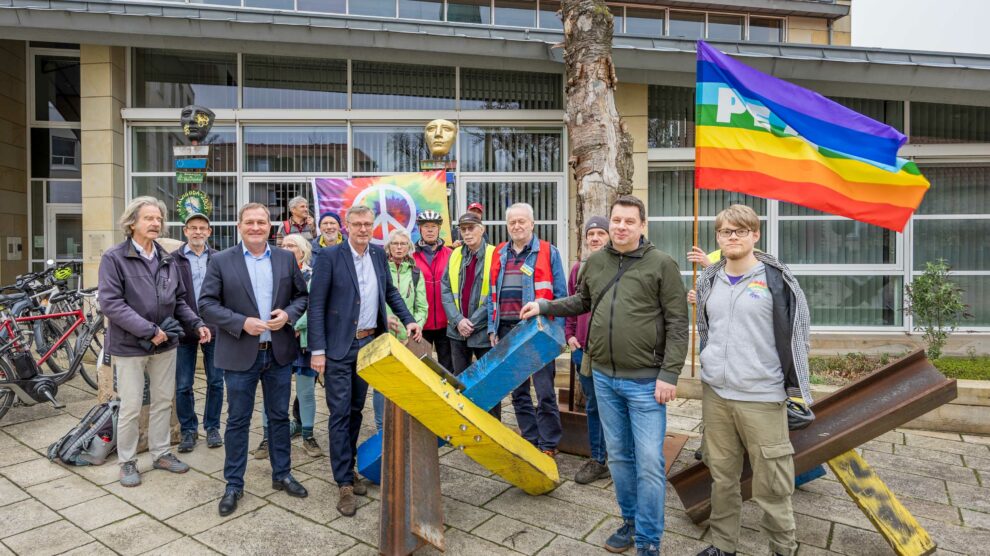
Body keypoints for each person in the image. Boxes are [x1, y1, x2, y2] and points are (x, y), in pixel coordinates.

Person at [520, 195, 689, 556]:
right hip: (604, 378)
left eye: (630, 221)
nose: (621, 227)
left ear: (643, 226)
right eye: (616, 220)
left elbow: (678, 324)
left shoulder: (663, 265)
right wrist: (545, 306)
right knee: (620, 458)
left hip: (646, 383)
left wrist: (669, 374)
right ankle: (629, 522)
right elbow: (581, 301)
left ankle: (648, 540)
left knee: (649, 461)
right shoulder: (594, 263)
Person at [692, 205, 812, 556]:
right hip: (716, 395)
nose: (732, 237)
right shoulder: (709, 279)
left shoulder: (777, 278)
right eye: (725, 231)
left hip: (762, 396)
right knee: (722, 476)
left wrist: (798, 387)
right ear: (717, 237)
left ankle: (782, 549)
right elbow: (706, 329)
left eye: (740, 231)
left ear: (755, 235)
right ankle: (723, 546)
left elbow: (799, 333)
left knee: (773, 484)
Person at [308, 205, 423, 518]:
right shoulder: (330, 257)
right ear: (346, 226)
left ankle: (350, 468)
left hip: (369, 345)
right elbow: (315, 306)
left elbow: (389, 292)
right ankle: (344, 481)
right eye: (356, 224)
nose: (362, 229)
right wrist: (317, 350)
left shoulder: (377, 255)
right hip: (339, 348)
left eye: (367, 224)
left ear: (374, 226)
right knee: (339, 413)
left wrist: (409, 319)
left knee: (356, 410)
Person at [199, 203, 310, 517]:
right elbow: (206, 304)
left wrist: (288, 314)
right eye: (250, 222)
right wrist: (239, 322)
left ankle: (282, 474)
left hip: (278, 353)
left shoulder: (286, 258)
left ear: (270, 226)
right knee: (237, 421)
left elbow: (303, 297)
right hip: (239, 353)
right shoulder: (221, 261)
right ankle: (234, 483)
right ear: (239, 226)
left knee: (278, 418)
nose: (256, 227)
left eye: (262, 222)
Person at [98, 197, 210, 487]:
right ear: (132, 222)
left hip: (166, 343)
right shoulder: (114, 257)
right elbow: (111, 304)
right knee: (132, 406)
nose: (155, 223)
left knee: (163, 402)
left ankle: (161, 453)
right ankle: (127, 461)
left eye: (158, 219)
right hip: (130, 346)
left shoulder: (167, 258)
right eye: (149, 218)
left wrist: (196, 324)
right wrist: (149, 330)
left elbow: (181, 300)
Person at [488, 202, 567, 457]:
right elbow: (492, 296)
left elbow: (562, 296)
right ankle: (530, 439)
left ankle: (548, 444)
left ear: (532, 224)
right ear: (507, 226)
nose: (517, 226)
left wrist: (558, 335)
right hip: (508, 331)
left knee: (544, 392)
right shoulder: (500, 253)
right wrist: (493, 329)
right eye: (512, 222)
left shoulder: (548, 251)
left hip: (537, 332)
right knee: (519, 392)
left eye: (522, 221)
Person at [255, 234, 323, 459]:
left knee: (305, 392)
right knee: (272, 392)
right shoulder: (270, 271)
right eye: (283, 245)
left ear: (303, 251)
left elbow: (314, 306)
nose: (285, 248)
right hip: (276, 340)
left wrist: (293, 322)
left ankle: (308, 435)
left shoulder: (314, 275)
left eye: (291, 245)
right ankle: (268, 437)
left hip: (303, 343)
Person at [566, 216, 612, 484]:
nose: (595, 238)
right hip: (583, 349)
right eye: (591, 234)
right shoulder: (578, 269)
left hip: (612, 350)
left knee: (616, 406)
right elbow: (573, 303)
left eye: (600, 233)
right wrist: (570, 335)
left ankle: (621, 457)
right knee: (593, 406)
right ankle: (598, 459)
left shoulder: (620, 268)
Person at [172, 212, 222, 454]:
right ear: (185, 231)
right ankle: (188, 430)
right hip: (184, 329)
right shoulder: (173, 259)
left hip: (214, 329)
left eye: (203, 228)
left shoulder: (219, 258)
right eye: (193, 228)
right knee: (183, 384)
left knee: (216, 381)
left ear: (209, 232)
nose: (198, 232)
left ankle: (212, 426)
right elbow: (173, 297)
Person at [372, 229, 428, 432]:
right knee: (381, 384)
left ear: (409, 248)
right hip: (381, 335)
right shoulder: (378, 268)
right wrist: (384, 319)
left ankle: (404, 425)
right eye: (394, 243)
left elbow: (422, 307)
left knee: (406, 382)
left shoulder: (414, 273)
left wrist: (416, 326)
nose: (398, 247)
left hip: (407, 338)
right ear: (388, 247)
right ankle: (381, 428)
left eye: (403, 244)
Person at [440, 211, 496, 414]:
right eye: (463, 229)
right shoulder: (455, 255)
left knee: (488, 384)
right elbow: (445, 289)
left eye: (471, 228)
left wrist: (470, 322)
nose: (467, 233)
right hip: (457, 332)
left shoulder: (494, 254)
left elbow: (494, 294)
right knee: (460, 383)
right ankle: (465, 424)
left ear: (482, 229)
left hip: (483, 331)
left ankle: (491, 428)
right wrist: (457, 321)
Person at [412, 210, 453, 371]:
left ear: (439, 229)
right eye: (426, 226)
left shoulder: (450, 254)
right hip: (421, 323)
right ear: (420, 229)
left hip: (446, 322)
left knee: (448, 369)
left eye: (433, 226)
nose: (430, 230)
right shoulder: (411, 255)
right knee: (422, 369)